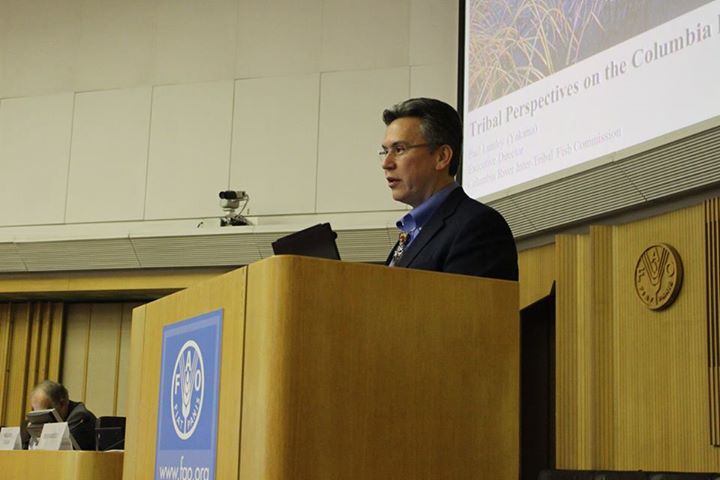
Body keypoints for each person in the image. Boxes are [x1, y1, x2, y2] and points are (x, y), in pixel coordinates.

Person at [380, 97, 518, 281]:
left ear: (442, 157)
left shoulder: (478, 226)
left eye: (399, 149)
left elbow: (469, 300)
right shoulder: (411, 230)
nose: (386, 163)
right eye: (385, 151)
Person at [25, 380, 97, 450]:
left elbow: (56, 450)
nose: (41, 420)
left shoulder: (80, 418)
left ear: (62, 404)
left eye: (45, 414)